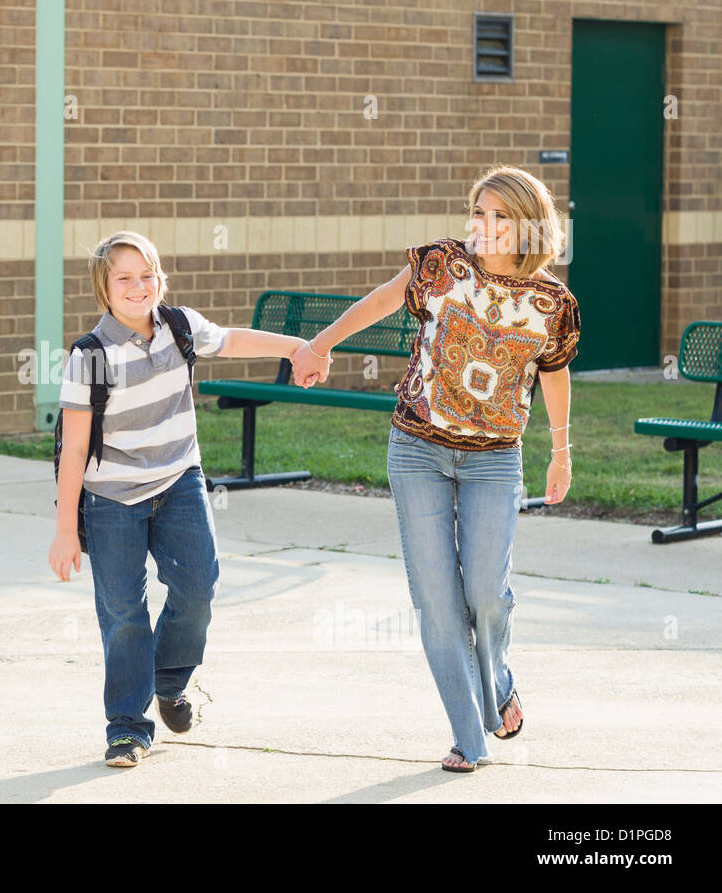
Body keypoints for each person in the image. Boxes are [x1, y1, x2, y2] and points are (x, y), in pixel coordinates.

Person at [288, 165, 580, 773]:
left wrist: (561, 449)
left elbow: (553, 373)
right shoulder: (440, 264)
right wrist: (321, 343)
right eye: (479, 212)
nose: (486, 226)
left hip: (495, 459)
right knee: (436, 600)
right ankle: (468, 735)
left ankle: (496, 678)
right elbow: (380, 301)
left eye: (502, 216)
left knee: (484, 593)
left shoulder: (553, 304)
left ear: (530, 225)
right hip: (418, 447)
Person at [47, 230, 315, 768]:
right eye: (124, 277)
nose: (137, 286)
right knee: (123, 614)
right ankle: (126, 727)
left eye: (146, 274)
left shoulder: (179, 328)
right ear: (104, 287)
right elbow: (74, 449)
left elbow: (233, 340)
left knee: (199, 586)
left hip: (178, 482)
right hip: (111, 500)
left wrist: (294, 347)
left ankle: (168, 681)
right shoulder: (90, 357)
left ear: (160, 278)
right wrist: (64, 529)